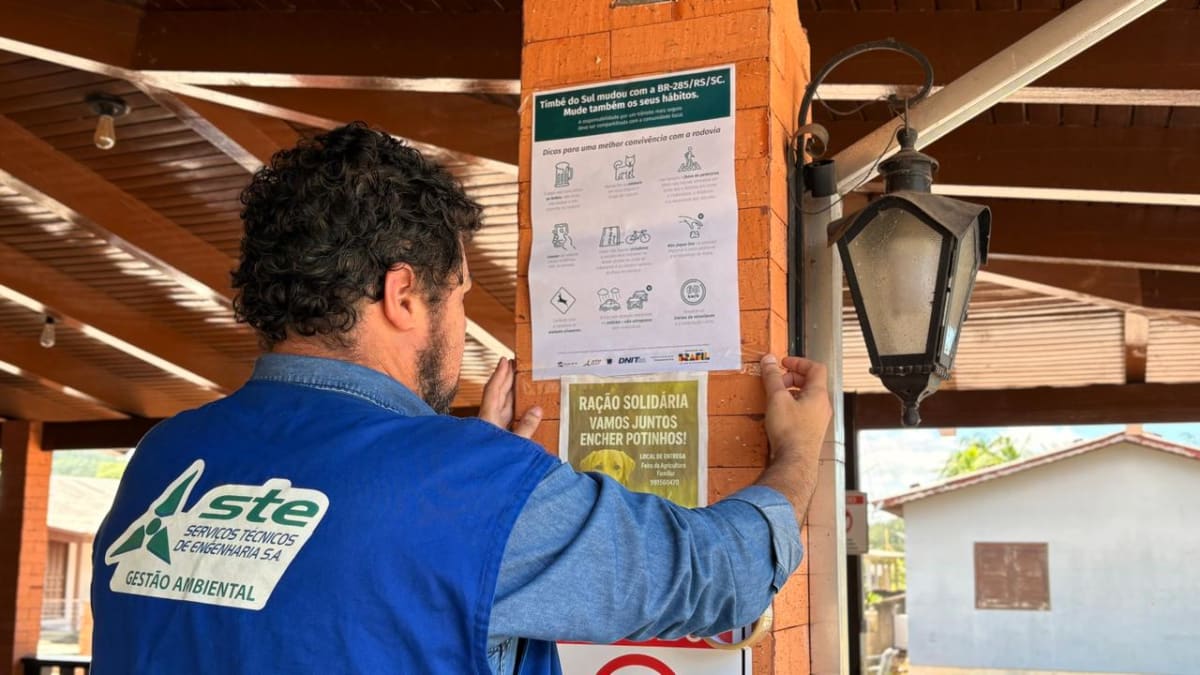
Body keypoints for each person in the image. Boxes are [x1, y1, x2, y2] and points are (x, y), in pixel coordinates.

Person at [91, 123, 832, 674]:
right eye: (459, 296)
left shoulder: (162, 463)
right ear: (404, 293)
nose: (462, 323)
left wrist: (466, 481)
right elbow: (719, 575)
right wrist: (798, 451)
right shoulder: (468, 488)